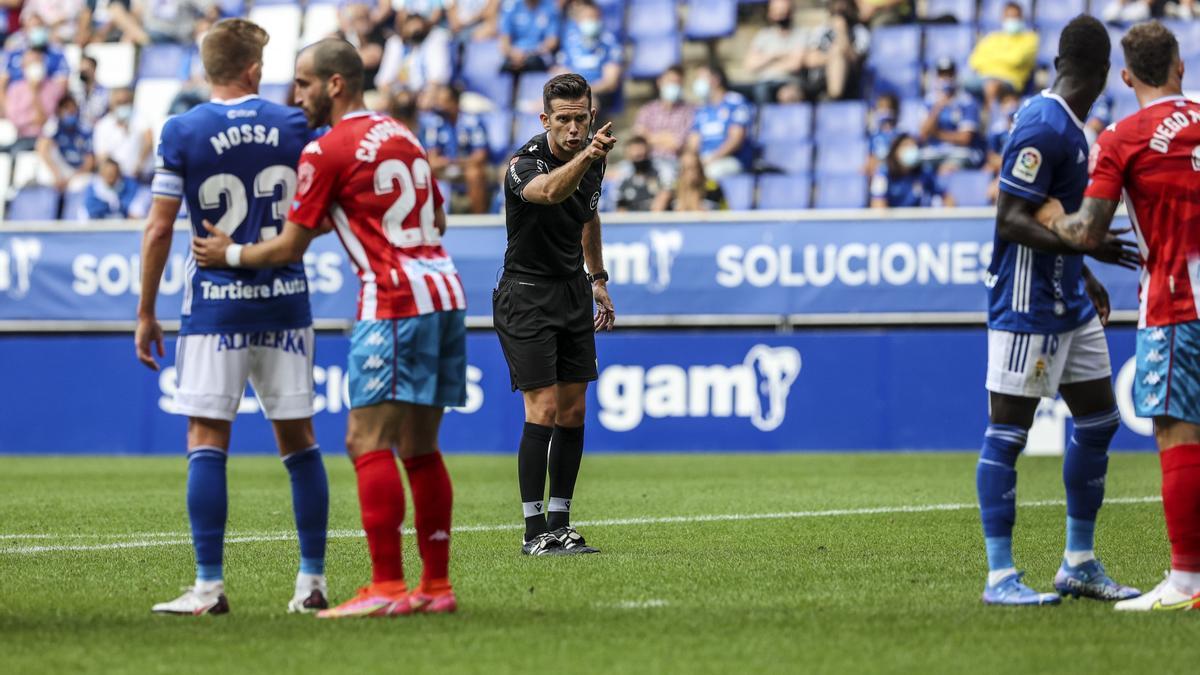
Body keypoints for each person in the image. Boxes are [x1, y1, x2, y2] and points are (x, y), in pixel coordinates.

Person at [191, 38, 463, 618]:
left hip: (391, 299)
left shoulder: (326, 150)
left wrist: (229, 254)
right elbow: (437, 215)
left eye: (304, 83)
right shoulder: (401, 134)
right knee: (421, 446)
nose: (296, 96)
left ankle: (387, 586)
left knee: (366, 441)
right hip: (443, 289)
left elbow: (290, 244)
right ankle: (435, 586)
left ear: (335, 84)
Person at [134, 18, 330, 617]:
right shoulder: (295, 123)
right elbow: (323, 209)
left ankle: (208, 587)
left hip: (215, 306)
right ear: (253, 70)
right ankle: (311, 584)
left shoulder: (182, 129)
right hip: (286, 299)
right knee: (298, 439)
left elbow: (161, 226)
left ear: (208, 69)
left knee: (206, 438)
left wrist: (145, 310)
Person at [974, 15, 1141, 607]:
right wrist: (1085, 245)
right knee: (1008, 434)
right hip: (1028, 305)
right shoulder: (1044, 126)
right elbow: (1011, 222)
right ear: (1100, 75)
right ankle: (1000, 577)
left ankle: (1078, 563)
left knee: (1099, 421)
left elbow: (1056, 213)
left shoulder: (1071, 128)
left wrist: (1086, 268)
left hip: (1069, 296)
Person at [1038, 21, 1200, 612]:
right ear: (1181, 66)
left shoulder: (1122, 138)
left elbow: (1088, 233)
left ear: (1127, 76)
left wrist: (1052, 212)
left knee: (1177, 431)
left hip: (1179, 304)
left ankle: (1186, 582)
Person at [496, 73, 616, 556]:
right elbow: (549, 193)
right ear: (545, 119)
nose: (573, 129)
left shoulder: (593, 159)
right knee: (541, 409)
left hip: (572, 292)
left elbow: (587, 214)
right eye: (563, 120)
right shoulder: (523, 165)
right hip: (525, 294)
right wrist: (587, 156)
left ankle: (561, 521)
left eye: (580, 119)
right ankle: (533, 531)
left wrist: (598, 278)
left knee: (573, 410)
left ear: (591, 115)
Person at [421, 83, 490, 214]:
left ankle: (479, 219)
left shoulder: (472, 122)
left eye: (444, 102)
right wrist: (445, 163)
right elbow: (433, 158)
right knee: (427, 171)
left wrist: (455, 161)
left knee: (475, 173)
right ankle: (431, 219)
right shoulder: (435, 124)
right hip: (444, 168)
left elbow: (480, 156)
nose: (440, 106)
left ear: (455, 103)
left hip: (465, 167)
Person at [967, 2, 1039, 112]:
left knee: (992, 86)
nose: (1012, 20)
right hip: (985, 77)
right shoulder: (992, 37)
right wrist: (1003, 59)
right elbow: (975, 61)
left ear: (1021, 18)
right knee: (963, 81)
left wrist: (992, 58)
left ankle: (990, 120)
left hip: (1013, 82)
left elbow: (1016, 60)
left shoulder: (1030, 39)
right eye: (1009, 17)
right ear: (1003, 18)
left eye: (1015, 17)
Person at [687, 64, 752, 181]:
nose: (698, 83)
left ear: (716, 79)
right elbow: (694, 141)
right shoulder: (702, 109)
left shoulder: (735, 102)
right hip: (703, 160)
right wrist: (693, 160)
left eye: (702, 78)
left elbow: (736, 139)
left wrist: (712, 158)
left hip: (730, 159)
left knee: (710, 172)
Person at [557, 1, 621, 113]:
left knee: (585, 104)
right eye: (587, 17)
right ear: (578, 21)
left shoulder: (609, 42)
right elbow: (562, 72)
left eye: (594, 17)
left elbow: (610, 82)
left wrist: (584, 91)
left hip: (598, 93)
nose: (591, 21)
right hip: (573, 92)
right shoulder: (571, 41)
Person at [919, 59, 984, 170]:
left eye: (949, 74)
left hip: (960, 153)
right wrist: (938, 107)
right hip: (934, 153)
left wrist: (936, 134)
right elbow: (923, 134)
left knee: (949, 167)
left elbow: (965, 138)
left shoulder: (967, 102)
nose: (946, 78)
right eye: (942, 74)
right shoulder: (930, 101)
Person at [742, 0, 807, 104]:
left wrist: (765, 63)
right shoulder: (763, 36)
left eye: (784, 12)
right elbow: (750, 65)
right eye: (777, 12)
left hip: (790, 82)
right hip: (765, 83)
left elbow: (795, 65)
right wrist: (775, 56)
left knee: (786, 94)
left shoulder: (801, 34)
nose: (781, 16)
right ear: (770, 14)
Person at [375, 13, 452, 94]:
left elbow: (437, 77)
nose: (414, 29)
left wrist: (428, 96)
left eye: (417, 29)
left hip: (428, 91)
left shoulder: (435, 39)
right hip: (402, 92)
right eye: (410, 26)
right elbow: (383, 80)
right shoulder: (395, 44)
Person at [868, 134, 951, 209]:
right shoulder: (882, 174)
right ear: (895, 151)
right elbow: (877, 206)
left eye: (913, 146)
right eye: (905, 145)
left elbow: (947, 198)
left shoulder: (924, 173)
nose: (910, 149)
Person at [632, 65, 694, 165]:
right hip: (646, 161)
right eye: (670, 81)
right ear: (659, 82)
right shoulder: (647, 110)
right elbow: (639, 140)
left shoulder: (688, 112)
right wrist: (666, 137)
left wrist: (650, 136)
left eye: (677, 83)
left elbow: (678, 144)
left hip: (672, 163)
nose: (673, 86)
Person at [92, 87, 155, 183]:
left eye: (126, 102)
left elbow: (149, 140)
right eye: (119, 103)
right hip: (116, 179)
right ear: (112, 105)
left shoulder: (140, 118)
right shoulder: (103, 126)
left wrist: (138, 165)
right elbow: (101, 157)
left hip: (140, 177)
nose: (123, 106)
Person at [36, 95, 95, 192]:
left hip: (76, 173)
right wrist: (56, 175)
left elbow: (89, 163)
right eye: (67, 110)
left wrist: (71, 179)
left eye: (73, 110)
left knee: (83, 183)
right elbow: (42, 148)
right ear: (59, 111)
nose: (70, 113)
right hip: (59, 169)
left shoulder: (85, 128)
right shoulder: (54, 125)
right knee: (44, 174)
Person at [498, 0, 560, 74]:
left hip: (538, 55)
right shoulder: (512, 6)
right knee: (505, 68)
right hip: (515, 54)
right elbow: (504, 40)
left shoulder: (550, 7)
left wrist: (529, 53)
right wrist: (512, 53)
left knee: (533, 63)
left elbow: (552, 41)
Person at [613, 135, 670, 212]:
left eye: (642, 154)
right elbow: (620, 206)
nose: (638, 154)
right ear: (628, 154)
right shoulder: (624, 174)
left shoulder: (660, 170)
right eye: (636, 154)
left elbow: (665, 193)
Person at [662, 147, 724, 212]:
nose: (692, 173)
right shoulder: (672, 193)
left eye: (695, 168)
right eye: (686, 169)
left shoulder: (713, 190)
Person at [865, 93, 899, 176]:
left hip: (895, 172)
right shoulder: (874, 136)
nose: (883, 111)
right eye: (881, 107)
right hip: (879, 175)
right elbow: (870, 158)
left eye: (887, 107)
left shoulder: (898, 134)